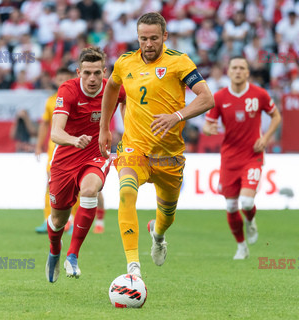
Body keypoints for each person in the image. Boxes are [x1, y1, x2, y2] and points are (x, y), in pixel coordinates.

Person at [99, 12, 214, 278]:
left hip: (169, 156)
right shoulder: (125, 62)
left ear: (164, 36)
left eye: (153, 38)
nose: (148, 44)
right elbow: (111, 89)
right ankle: (133, 268)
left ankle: (158, 235)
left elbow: (206, 98)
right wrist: (104, 126)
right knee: (126, 194)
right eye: (143, 38)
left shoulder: (179, 62)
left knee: (167, 215)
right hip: (134, 149)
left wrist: (176, 116)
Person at [45, 47, 126, 283]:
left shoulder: (113, 89)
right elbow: (55, 132)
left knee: (90, 190)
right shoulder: (68, 90)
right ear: (79, 72)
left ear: (105, 72)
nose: (92, 79)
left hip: (95, 154)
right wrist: (73, 140)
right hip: (65, 158)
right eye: (87, 73)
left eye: (97, 73)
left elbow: (128, 103)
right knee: (58, 219)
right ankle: (54, 250)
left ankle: (72, 255)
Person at [202, 56, 282, 260]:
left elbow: (276, 116)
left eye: (242, 68)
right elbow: (207, 124)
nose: (237, 71)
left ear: (247, 72)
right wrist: (209, 128)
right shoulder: (219, 97)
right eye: (234, 67)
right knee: (230, 206)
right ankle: (241, 246)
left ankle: (251, 221)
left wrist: (265, 137)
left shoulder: (259, 95)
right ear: (228, 72)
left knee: (246, 202)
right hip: (229, 157)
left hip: (252, 155)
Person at [34, 67, 74, 233]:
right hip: (55, 149)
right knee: (50, 184)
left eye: (66, 78)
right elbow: (45, 125)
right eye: (60, 78)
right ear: (55, 81)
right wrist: (38, 145)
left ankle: (72, 220)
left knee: (74, 185)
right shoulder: (51, 101)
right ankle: (48, 219)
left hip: (74, 147)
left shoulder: (77, 98)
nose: (63, 81)